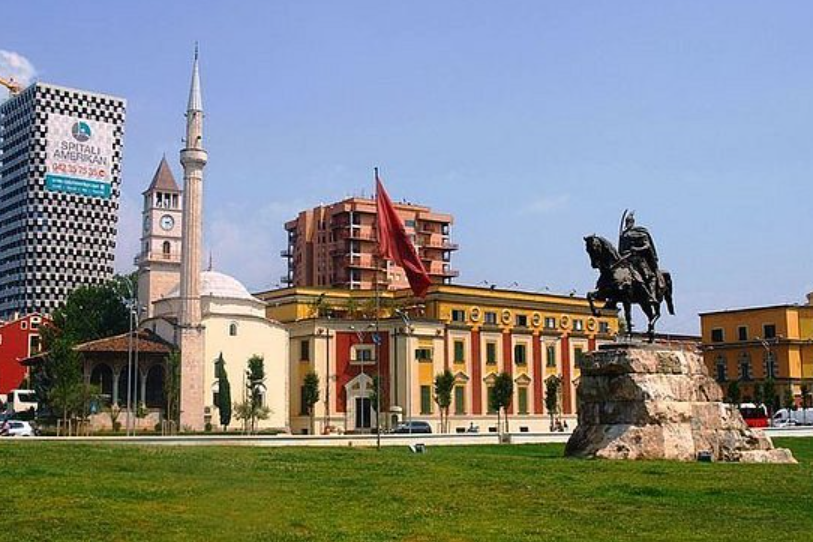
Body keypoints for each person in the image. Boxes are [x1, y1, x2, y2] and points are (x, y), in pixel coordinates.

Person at [618, 211, 660, 305]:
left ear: (632, 222)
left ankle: (652, 295)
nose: (627, 224)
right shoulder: (623, 234)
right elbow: (621, 249)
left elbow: (647, 246)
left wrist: (637, 249)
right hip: (624, 260)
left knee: (650, 276)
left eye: (629, 222)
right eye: (626, 222)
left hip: (637, 259)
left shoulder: (640, 233)